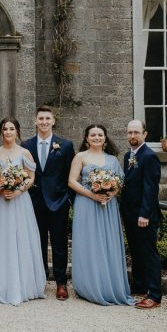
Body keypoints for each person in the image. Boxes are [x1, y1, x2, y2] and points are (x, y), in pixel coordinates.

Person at [67, 124, 134, 306]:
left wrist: (111, 193)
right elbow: (72, 181)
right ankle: (88, 286)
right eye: (93, 135)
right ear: (86, 138)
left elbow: (120, 181)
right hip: (86, 204)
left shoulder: (112, 159)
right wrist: (92, 195)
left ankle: (107, 284)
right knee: (89, 242)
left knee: (107, 242)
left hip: (108, 207)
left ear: (105, 138)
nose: (97, 137)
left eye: (100, 135)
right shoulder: (80, 157)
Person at [0, 117, 46, 305]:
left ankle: (24, 284)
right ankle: (2, 284)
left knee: (21, 238)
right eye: (5, 129)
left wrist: (19, 189)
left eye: (11, 129)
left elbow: (30, 177)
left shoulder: (24, 152)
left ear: (17, 131)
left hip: (20, 201)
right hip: (0, 201)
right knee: (2, 239)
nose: (8, 132)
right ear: (1, 132)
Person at [22, 105, 75, 300]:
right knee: (39, 242)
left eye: (47, 119)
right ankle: (41, 279)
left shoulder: (66, 145)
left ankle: (61, 282)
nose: (44, 122)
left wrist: (68, 198)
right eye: (40, 119)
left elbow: (71, 173)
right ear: (35, 121)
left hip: (59, 201)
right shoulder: (26, 145)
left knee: (60, 243)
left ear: (53, 121)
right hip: (35, 202)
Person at [121, 120, 163, 309]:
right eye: (130, 132)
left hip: (144, 216)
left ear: (145, 134)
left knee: (148, 254)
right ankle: (139, 285)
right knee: (136, 252)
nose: (132, 136)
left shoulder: (149, 156)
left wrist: (145, 214)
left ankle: (154, 294)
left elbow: (150, 188)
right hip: (130, 214)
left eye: (136, 132)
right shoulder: (127, 156)